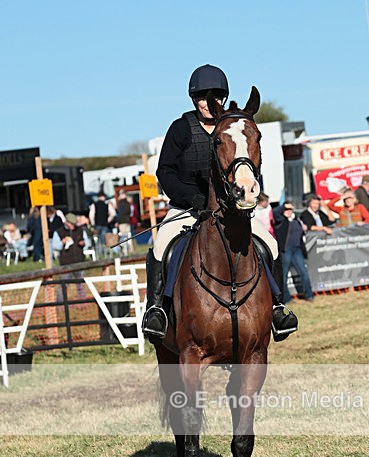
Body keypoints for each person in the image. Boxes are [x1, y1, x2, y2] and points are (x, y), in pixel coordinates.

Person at [142, 63, 297, 341]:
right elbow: (165, 171)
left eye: (214, 96)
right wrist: (192, 198)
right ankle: (157, 310)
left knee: (270, 244)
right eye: (201, 97)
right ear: (194, 99)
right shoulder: (181, 129)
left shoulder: (232, 129)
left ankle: (277, 307)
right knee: (162, 246)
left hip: (230, 210)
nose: (207, 102)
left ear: (222, 98)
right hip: (187, 208)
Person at [273, 201, 314, 303]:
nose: (288, 211)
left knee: (303, 272)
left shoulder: (296, 219)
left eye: (290, 209)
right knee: (284, 275)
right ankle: (286, 298)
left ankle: (309, 295)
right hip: (286, 250)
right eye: (286, 209)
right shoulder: (281, 220)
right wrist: (284, 206)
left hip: (297, 249)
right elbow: (275, 212)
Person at [89, 193, 114, 257]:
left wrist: (93, 223)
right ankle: (105, 253)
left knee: (97, 239)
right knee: (104, 239)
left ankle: (98, 253)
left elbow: (91, 215)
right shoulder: (107, 205)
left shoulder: (94, 205)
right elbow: (113, 213)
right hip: (105, 224)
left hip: (97, 224)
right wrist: (108, 220)